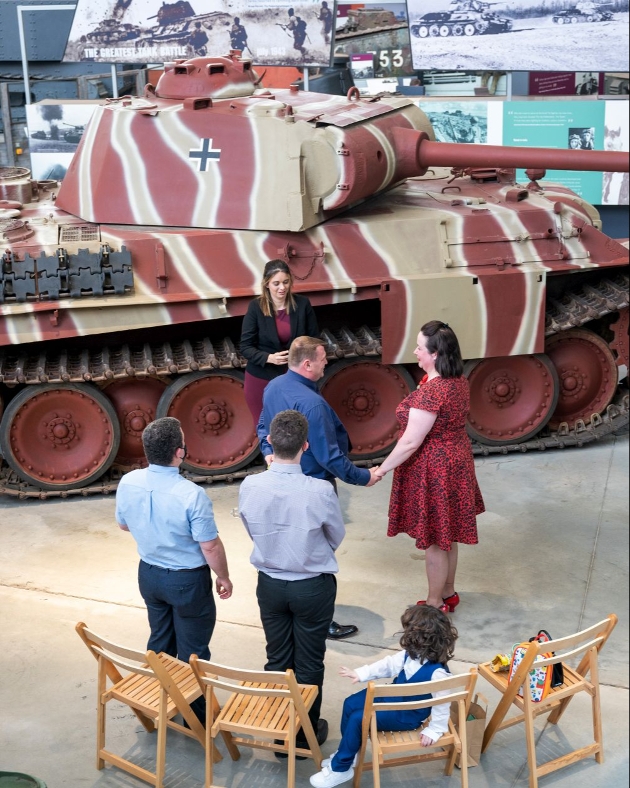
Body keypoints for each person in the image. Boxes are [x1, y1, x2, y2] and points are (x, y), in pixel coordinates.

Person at [258, 336, 381, 640]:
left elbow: (263, 425)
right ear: (308, 363)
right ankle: (320, 621)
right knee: (319, 555)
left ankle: (289, 609)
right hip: (313, 486)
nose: (327, 362)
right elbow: (330, 458)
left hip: (280, 478)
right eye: (323, 358)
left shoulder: (273, 388)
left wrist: (266, 450)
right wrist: (364, 477)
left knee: (286, 545)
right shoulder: (312, 404)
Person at [240, 409, 345, 753]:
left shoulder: (250, 484)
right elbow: (335, 535)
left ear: (269, 441)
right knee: (310, 660)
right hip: (312, 584)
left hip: (269, 582)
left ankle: (280, 730)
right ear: (306, 446)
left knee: (277, 657)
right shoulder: (319, 490)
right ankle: (305, 734)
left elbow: (250, 529)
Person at [115, 416, 232, 721]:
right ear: (179, 452)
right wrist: (223, 576)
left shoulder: (129, 481)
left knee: (160, 639)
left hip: (149, 574)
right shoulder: (191, 494)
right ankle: (198, 716)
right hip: (187, 581)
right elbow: (210, 545)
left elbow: (123, 524)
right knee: (194, 651)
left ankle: (157, 701)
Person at [374, 321, 484, 613]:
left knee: (435, 540)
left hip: (436, 468)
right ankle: (448, 592)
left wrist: (381, 470)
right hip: (456, 460)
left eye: (420, 348)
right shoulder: (458, 380)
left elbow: (411, 442)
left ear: (435, 354)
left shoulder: (432, 393)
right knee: (447, 532)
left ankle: (435, 603)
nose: (415, 352)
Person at [309, 604, 456, 787]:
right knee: (350, 703)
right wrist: (360, 673)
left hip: (406, 716)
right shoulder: (409, 655)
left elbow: (442, 703)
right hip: (391, 700)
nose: (406, 635)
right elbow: (386, 665)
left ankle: (341, 768)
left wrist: (434, 730)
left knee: (358, 719)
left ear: (422, 638)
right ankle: (349, 754)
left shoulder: (437, 673)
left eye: (410, 632)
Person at [240, 259, 319, 425]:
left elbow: (314, 340)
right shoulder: (255, 307)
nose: (282, 288)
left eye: (285, 282)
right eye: (276, 283)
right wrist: (269, 358)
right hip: (261, 376)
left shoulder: (302, 304)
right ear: (267, 284)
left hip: (295, 376)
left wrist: (300, 354)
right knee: (266, 428)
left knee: (298, 426)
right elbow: (245, 347)